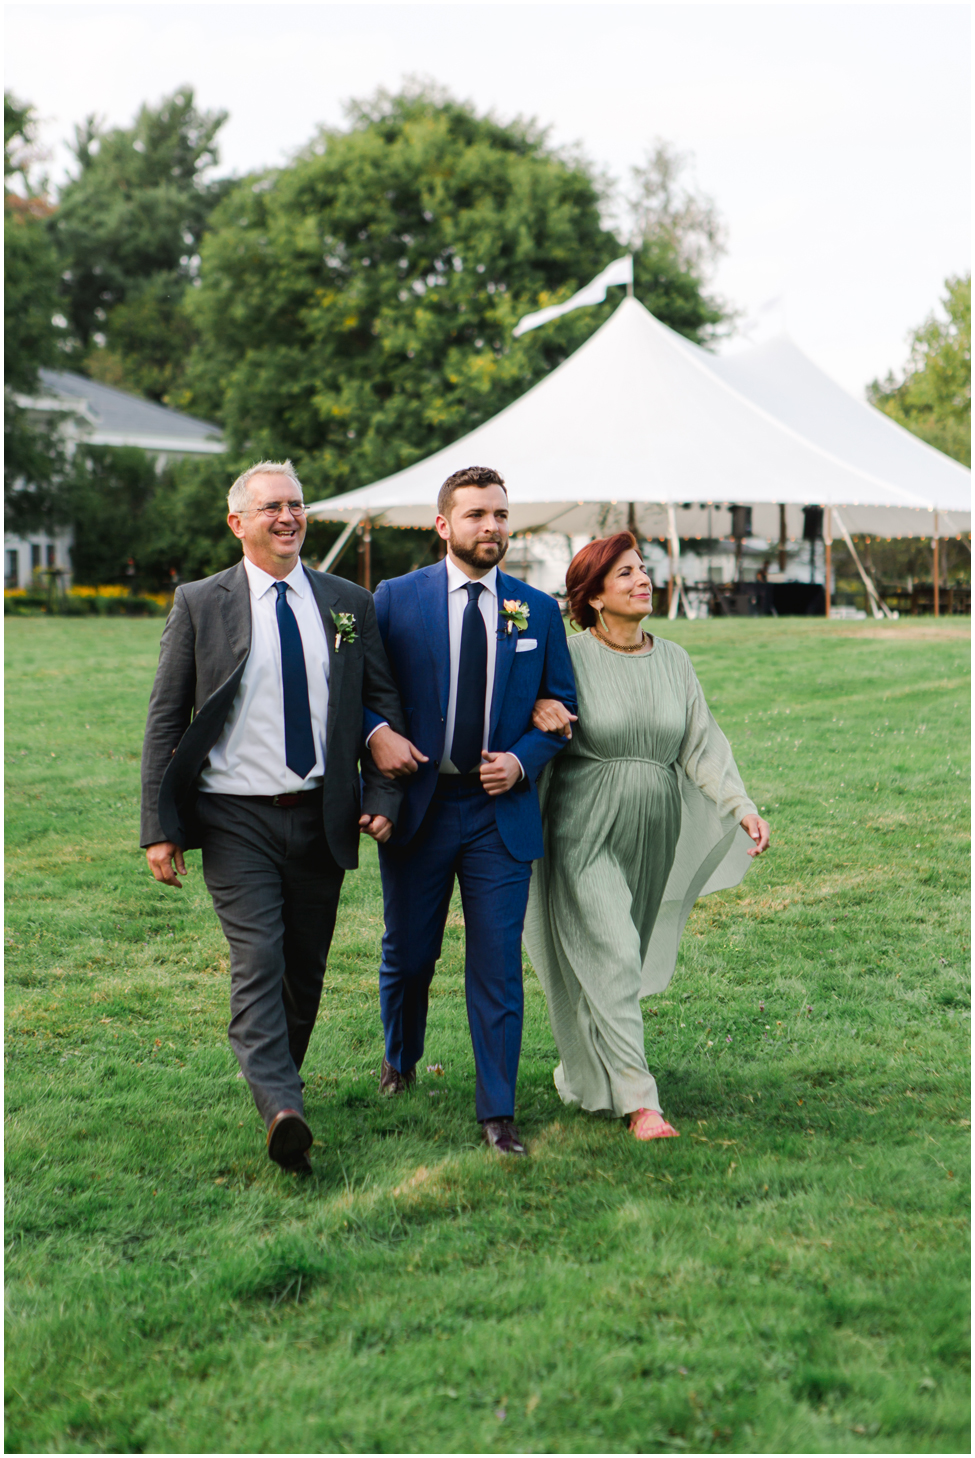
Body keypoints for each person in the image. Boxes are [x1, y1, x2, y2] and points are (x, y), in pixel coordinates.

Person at [140, 460, 406, 1175]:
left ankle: (275, 1087)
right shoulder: (201, 602)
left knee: (305, 971)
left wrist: (380, 797)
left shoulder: (348, 602)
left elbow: (378, 704)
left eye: (296, 505)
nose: (287, 517)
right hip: (234, 818)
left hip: (322, 812)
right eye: (270, 508)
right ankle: (283, 1109)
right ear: (238, 523)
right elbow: (167, 716)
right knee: (258, 958)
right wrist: (157, 825)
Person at [524, 532, 769, 1142]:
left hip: (654, 827)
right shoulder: (572, 656)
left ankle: (588, 1071)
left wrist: (740, 806)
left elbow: (702, 744)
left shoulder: (675, 660)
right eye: (625, 574)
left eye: (643, 570)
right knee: (609, 951)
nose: (642, 581)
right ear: (595, 596)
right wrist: (536, 711)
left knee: (617, 959)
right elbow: (529, 710)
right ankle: (642, 1103)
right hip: (584, 826)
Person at [363, 466, 577, 1156]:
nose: (493, 528)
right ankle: (400, 1059)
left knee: (496, 965)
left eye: (501, 516)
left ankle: (497, 1111)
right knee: (409, 954)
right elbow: (355, 688)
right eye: (478, 515)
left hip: (498, 814)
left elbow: (560, 706)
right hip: (420, 807)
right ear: (442, 525)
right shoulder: (392, 600)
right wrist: (377, 736)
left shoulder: (535, 610)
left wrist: (522, 757)